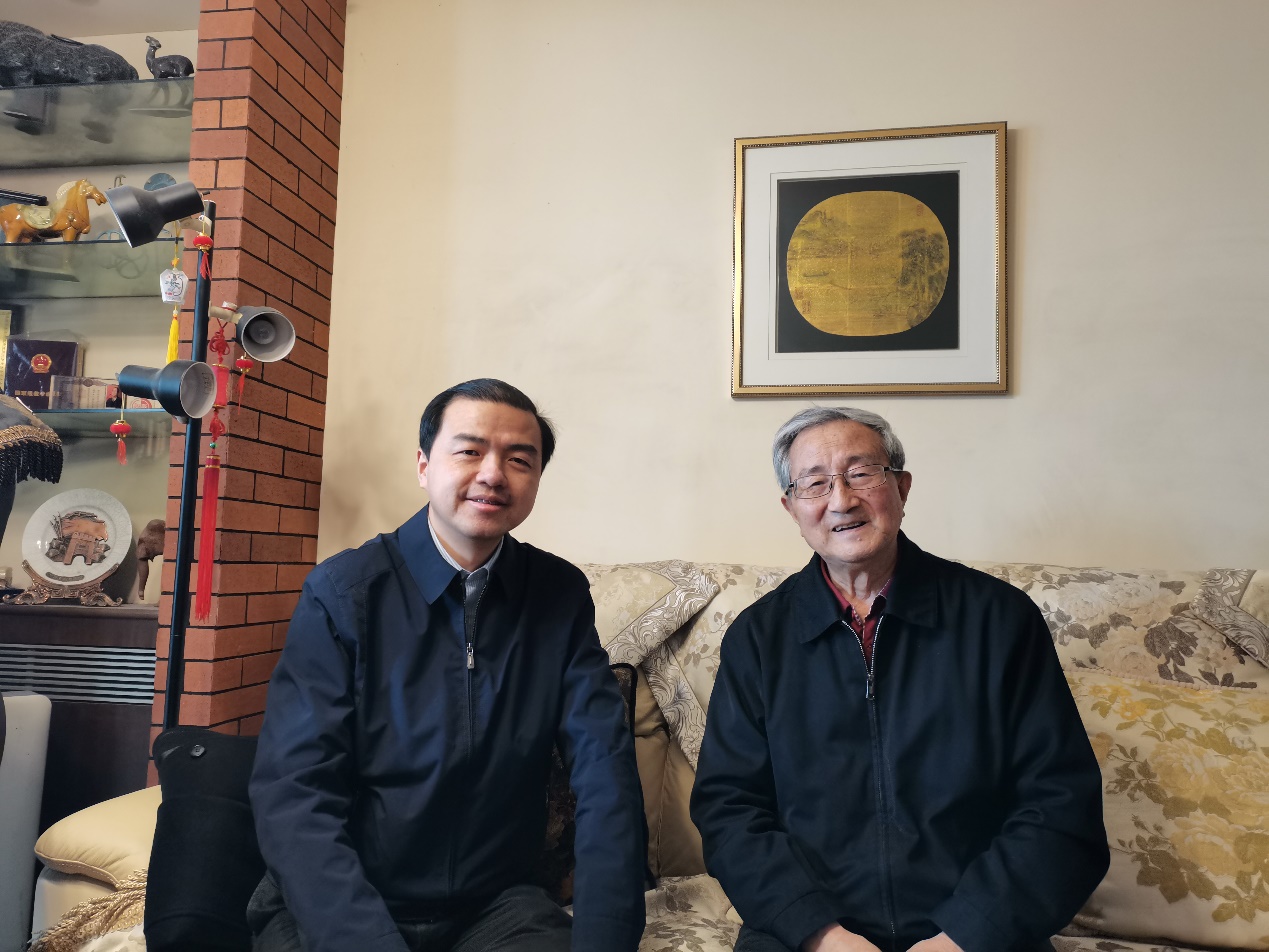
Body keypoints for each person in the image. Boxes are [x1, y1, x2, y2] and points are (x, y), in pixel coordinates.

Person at [248, 379, 647, 952]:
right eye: (469, 451)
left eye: (519, 460)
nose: (493, 474)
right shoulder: (343, 592)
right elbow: (295, 792)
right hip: (349, 900)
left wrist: (606, 939)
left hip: (496, 907)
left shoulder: (558, 595)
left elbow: (605, 769)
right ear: (424, 465)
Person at [690, 407, 1108, 952]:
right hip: (808, 935)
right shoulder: (758, 638)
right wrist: (821, 936)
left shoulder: (1000, 619)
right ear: (792, 508)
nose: (841, 500)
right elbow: (731, 811)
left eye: (861, 473)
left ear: (902, 488)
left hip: (978, 933)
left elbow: (1061, 805)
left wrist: (964, 936)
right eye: (815, 483)